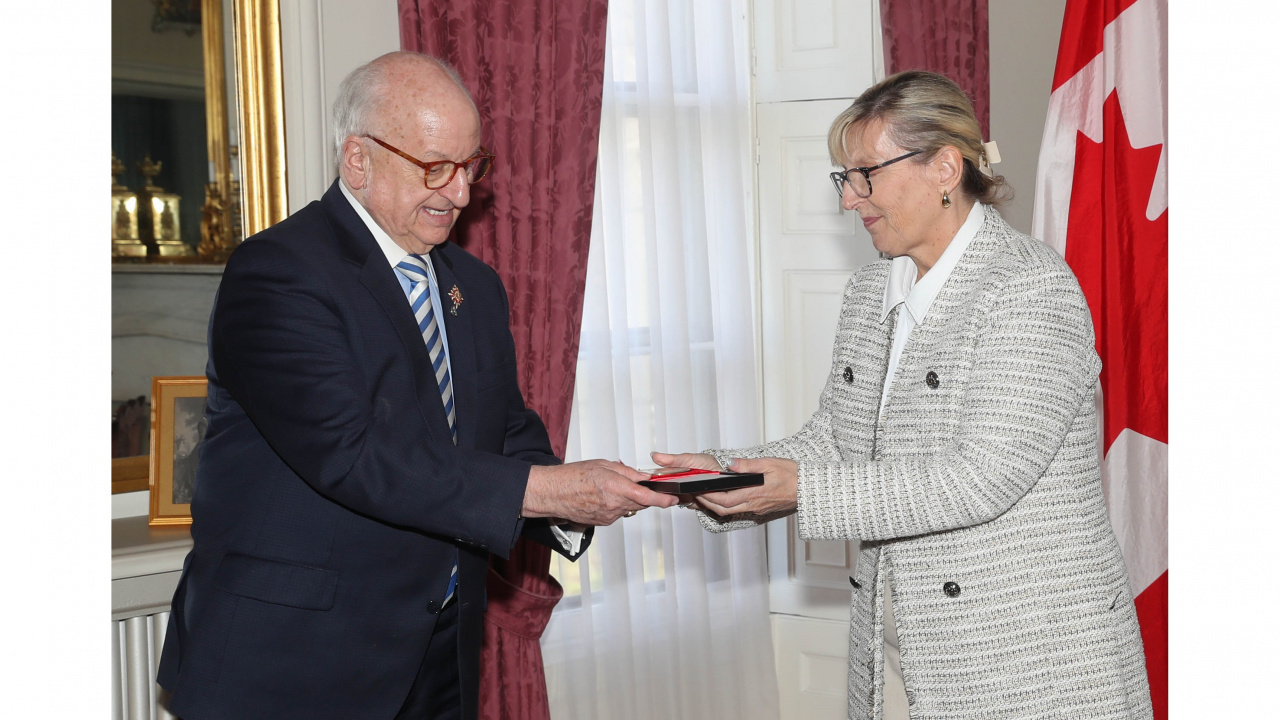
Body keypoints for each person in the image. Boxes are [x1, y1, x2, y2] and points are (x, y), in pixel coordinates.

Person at [157, 51, 677, 720]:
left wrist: (571, 499)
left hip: (437, 659)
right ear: (358, 160)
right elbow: (351, 454)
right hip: (292, 665)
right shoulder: (278, 274)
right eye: (435, 168)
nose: (460, 193)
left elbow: (505, 430)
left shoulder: (475, 287)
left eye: (471, 167)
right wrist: (543, 491)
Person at [655, 71, 1151, 719]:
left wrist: (801, 488)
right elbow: (836, 440)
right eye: (845, 177)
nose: (849, 199)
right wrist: (716, 471)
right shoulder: (870, 293)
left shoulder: (1030, 288)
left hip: (1031, 663)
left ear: (945, 167)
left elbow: (982, 479)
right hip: (904, 650)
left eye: (866, 173)